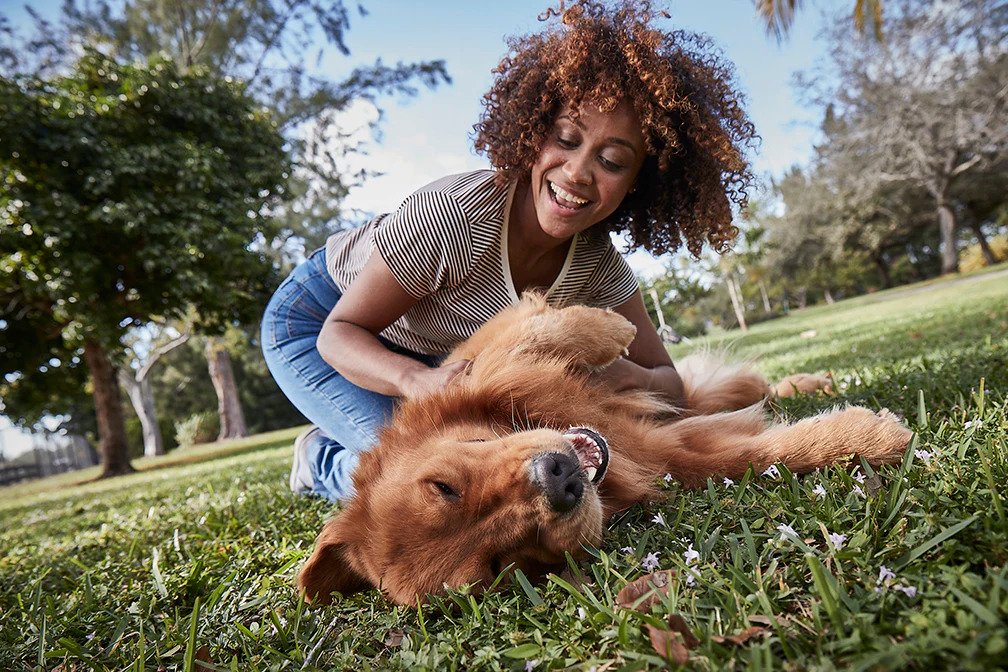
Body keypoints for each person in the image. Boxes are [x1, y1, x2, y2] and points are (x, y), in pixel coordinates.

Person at [260, 0, 757, 501]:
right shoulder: (456, 216)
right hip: (319, 323)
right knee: (414, 477)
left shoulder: (596, 263)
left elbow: (668, 382)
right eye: (566, 138)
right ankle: (319, 460)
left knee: (489, 459)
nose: (577, 172)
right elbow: (339, 333)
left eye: (611, 161)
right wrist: (412, 379)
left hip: (428, 349)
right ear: (534, 133)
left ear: (637, 185)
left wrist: (626, 375)